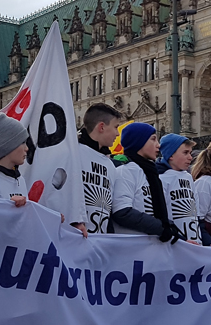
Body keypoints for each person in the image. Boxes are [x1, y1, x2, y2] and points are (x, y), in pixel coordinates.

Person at [111, 123, 186, 242]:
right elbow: (122, 212)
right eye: (153, 139)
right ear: (138, 142)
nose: (158, 145)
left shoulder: (151, 174)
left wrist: (182, 240)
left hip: (151, 249)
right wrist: (161, 227)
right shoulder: (125, 171)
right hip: (132, 249)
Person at [77, 103, 123, 236]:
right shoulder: (73, 154)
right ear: (101, 127)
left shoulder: (109, 164)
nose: (117, 133)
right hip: (74, 238)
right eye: (115, 127)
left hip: (99, 241)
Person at [156, 134, 203, 241]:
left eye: (190, 153)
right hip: (174, 243)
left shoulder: (188, 177)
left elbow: (197, 215)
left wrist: (208, 242)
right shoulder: (161, 178)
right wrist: (181, 239)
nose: (190, 157)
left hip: (195, 241)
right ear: (170, 155)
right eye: (185, 153)